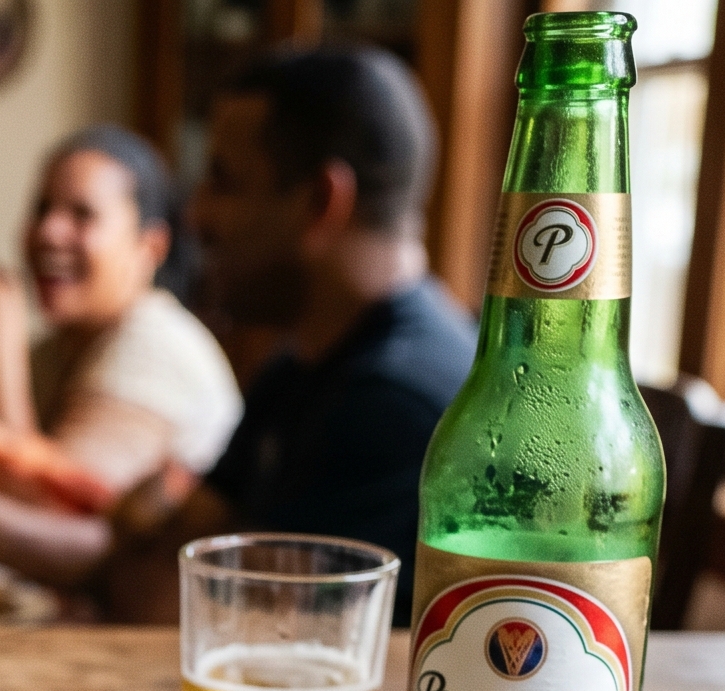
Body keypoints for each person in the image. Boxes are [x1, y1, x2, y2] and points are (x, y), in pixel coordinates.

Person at [106, 47, 476, 625]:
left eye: (223, 182)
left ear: (321, 202)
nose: (196, 216)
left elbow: (210, 614)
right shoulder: (299, 367)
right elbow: (182, 529)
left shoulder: (399, 402)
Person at [0, 125, 240, 592]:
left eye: (82, 215)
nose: (48, 231)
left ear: (150, 247)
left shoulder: (157, 347)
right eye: (42, 209)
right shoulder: (55, 350)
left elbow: (52, 529)